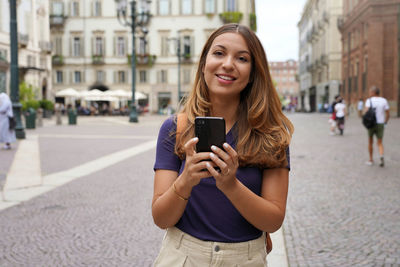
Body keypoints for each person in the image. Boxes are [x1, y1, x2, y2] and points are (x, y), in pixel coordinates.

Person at [152, 24, 294, 266]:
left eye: (242, 58)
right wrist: (186, 179)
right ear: (204, 63)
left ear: (253, 72)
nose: (228, 64)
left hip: (244, 258)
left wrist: (230, 185)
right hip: (182, 256)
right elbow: (161, 218)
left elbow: (272, 221)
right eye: (219, 53)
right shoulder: (175, 129)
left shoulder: (271, 135)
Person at [364, 86, 390, 167]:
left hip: (371, 123)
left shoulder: (369, 100)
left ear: (373, 92)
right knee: (379, 142)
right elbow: (388, 114)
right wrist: (385, 122)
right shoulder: (384, 100)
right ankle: (381, 155)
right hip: (380, 123)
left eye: (370, 92)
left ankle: (371, 159)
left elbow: (366, 112)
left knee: (370, 141)